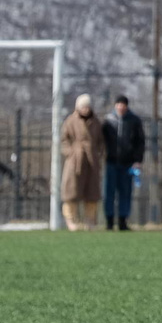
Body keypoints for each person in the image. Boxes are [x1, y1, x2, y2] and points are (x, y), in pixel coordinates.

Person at [101, 94, 146, 232]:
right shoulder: (108, 121)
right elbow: (101, 141)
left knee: (125, 192)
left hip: (128, 163)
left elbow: (140, 142)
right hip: (111, 162)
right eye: (119, 104)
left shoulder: (134, 121)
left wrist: (137, 160)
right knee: (109, 192)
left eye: (123, 104)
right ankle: (109, 221)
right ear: (115, 105)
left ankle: (122, 221)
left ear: (126, 106)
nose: (121, 107)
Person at [60, 93, 103, 231]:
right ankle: (71, 221)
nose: (86, 109)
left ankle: (90, 221)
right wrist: (71, 153)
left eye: (88, 106)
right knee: (71, 192)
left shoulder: (96, 122)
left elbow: (101, 141)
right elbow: (63, 140)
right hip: (75, 161)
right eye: (83, 106)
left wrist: (98, 153)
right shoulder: (70, 121)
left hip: (91, 161)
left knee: (92, 192)